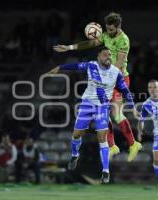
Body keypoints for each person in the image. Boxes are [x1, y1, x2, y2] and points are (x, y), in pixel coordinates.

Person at [53, 12, 142, 161]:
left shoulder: (123, 40)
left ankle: (133, 144)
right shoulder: (107, 35)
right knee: (103, 112)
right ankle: (112, 146)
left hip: (119, 79)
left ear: (119, 27)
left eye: (112, 30)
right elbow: (90, 43)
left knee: (117, 115)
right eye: (108, 29)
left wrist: (103, 78)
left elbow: (118, 66)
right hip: (107, 79)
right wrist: (69, 47)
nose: (109, 32)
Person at [48, 47, 137, 183]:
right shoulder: (91, 66)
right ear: (98, 57)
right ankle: (74, 155)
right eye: (105, 55)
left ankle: (105, 171)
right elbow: (75, 66)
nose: (108, 57)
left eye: (109, 55)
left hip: (102, 107)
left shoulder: (115, 72)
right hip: (87, 104)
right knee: (77, 134)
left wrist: (131, 102)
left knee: (102, 137)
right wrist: (60, 67)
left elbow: (123, 88)